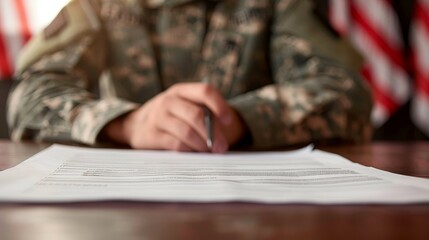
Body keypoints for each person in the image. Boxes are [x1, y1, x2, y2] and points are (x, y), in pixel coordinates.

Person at [7, 0, 373, 153]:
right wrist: (128, 124)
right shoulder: (100, 4)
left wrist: (241, 119)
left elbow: (346, 94)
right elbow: (30, 95)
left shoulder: (277, 4)